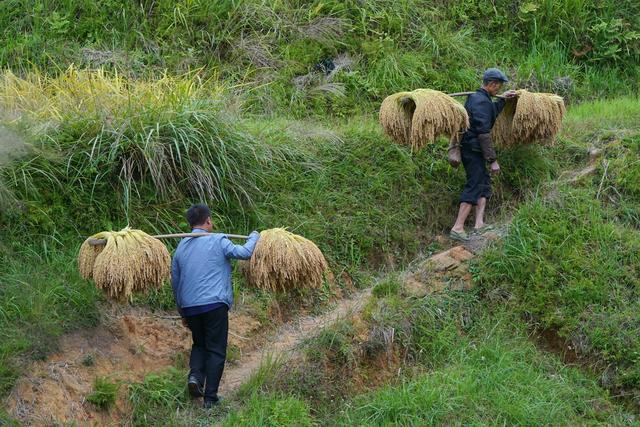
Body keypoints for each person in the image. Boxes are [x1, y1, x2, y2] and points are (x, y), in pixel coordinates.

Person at [171, 204, 260, 408]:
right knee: (216, 350)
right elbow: (245, 253)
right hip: (214, 305)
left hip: (190, 307)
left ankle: (195, 377)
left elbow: (175, 282)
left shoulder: (181, 247)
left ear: (190, 223)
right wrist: (254, 236)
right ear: (208, 221)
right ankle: (210, 399)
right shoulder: (218, 239)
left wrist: (182, 311)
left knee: (200, 344)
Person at [450, 68, 516, 241]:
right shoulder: (480, 101)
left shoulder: (480, 99)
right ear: (492, 84)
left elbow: (490, 113)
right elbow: (483, 132)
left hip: (476, 150)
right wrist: (493, 160)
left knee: (483, 184)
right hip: (472, 150)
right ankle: (458, 227)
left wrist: (503, 101)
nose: (499, 90)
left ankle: (479, 223)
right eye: (498, 87)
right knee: (474, 184)